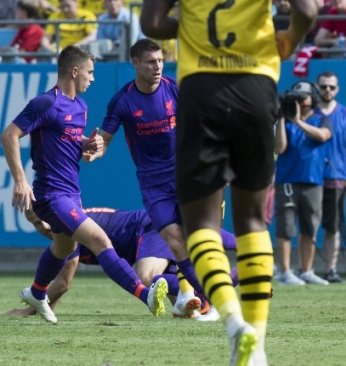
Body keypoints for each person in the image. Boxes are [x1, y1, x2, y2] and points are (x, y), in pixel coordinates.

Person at [139, 1, 318, 365]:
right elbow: (308, 11)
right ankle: (259, 346)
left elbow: (152, 23)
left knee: (201, 225)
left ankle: (234, 322)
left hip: (201, 88)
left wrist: (192, 29)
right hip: (256, 83)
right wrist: (287, 39)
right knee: (253, 221)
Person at [0, 45, 168, 325]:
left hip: (72, 192)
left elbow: (65, 144)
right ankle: (146, 295)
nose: (92, 79)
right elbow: (9, 135)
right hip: (52, 195)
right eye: (90, 72)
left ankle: (37, 292)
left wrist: (88, 146)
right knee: (100, 240)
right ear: (74, 71)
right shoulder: (46, 103)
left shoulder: (80, 106)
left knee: (63, 249)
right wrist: (20, 180)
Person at [94, 38, 207, 319]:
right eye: (150, 62)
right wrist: (96, 150)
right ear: (135, 63)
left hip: (184, 175)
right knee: (176, 241)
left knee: (198, 238)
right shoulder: (122, 101)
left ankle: (200, 295)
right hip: (152, 183)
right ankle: (204, 297)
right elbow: (105, 140)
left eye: (160, 60)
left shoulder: (174, 89)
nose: (158, 66)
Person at [7, 208, 237, 320]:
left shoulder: (68, 228)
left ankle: (215, 286)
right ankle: (202, 290)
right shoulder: (65, 223)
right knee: (185, 308)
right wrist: (45, 310)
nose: (44, 227)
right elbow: (61, 285)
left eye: (44, 219)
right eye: (37, 224)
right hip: (140, 243)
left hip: (147, 229)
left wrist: (28, 310)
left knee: (145, 277)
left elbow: (63, 283)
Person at [275, 81, 333, 286]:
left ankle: (307, 270)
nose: (299, 101)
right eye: (296, 98)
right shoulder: (284, 120)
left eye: (303, 97)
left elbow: (323, 136)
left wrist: (298, 121)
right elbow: (279, 148)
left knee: (310, 227)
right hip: (287, 180)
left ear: (312, 98)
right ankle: (284, 271)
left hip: (312, 180)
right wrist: (283, 117)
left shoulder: (322, 118)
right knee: (286, 227)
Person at [314, 71, 346, 283]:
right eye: (324, 86)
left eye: (332, 87)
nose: (327, 90)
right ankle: (307, 269)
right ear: (317, 87)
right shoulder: (309, 112)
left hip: (337, 176)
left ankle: (330, 269)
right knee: (310, 225)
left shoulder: (345, 113)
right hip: (310, 176)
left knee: (333, 226)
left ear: (337, 89)